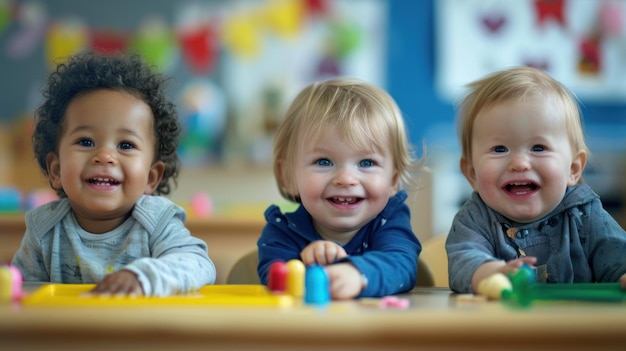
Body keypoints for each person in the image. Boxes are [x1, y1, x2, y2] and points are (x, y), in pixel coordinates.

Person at [11, 51, 216, 296]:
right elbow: (20, 295)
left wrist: (144, 278)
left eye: (126, 145)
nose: (105, 156)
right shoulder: (43, 230)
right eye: (86, 142)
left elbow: (199, 264)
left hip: (142, 332)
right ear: (56, 170)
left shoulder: (156, 222)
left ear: (151, 177)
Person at [446, 66, 626, 294]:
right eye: (500, 149)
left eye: (539, 148)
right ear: (472, 173)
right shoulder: (474, 219)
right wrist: (490, 274)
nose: (520, 163)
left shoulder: (586, 216)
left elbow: (618, 256)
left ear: (573, 168)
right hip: (498, 327)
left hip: (573, 328)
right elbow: (463, 262)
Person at [257, 78, 424, 300]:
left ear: (393, 180)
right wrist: (305, 267)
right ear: (287, 176)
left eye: (366, 163)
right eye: (324, 162)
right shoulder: (283, 230)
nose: (346, 179)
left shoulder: (389, 221)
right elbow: (275, 277)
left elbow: (401, 265)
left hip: (374, 332)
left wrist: (355, 273)